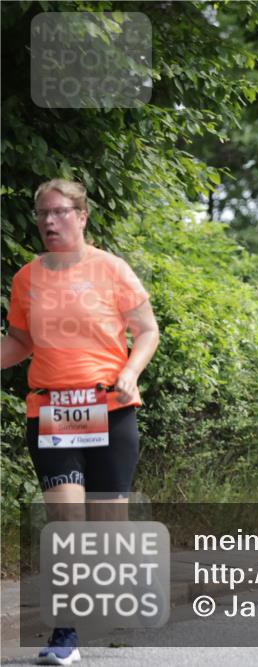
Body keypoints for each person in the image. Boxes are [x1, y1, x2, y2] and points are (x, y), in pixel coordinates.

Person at [1, 178, 160, 665]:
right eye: (42, 214)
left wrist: (130, 372)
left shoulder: (111, 270)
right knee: (67, 524)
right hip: (52, 411)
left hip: (109, 410)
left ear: (82, 215)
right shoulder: (28, 278)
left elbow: (148, 330)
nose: (49, 221)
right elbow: (20, 342)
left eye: (59, 212)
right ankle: (64, 635)